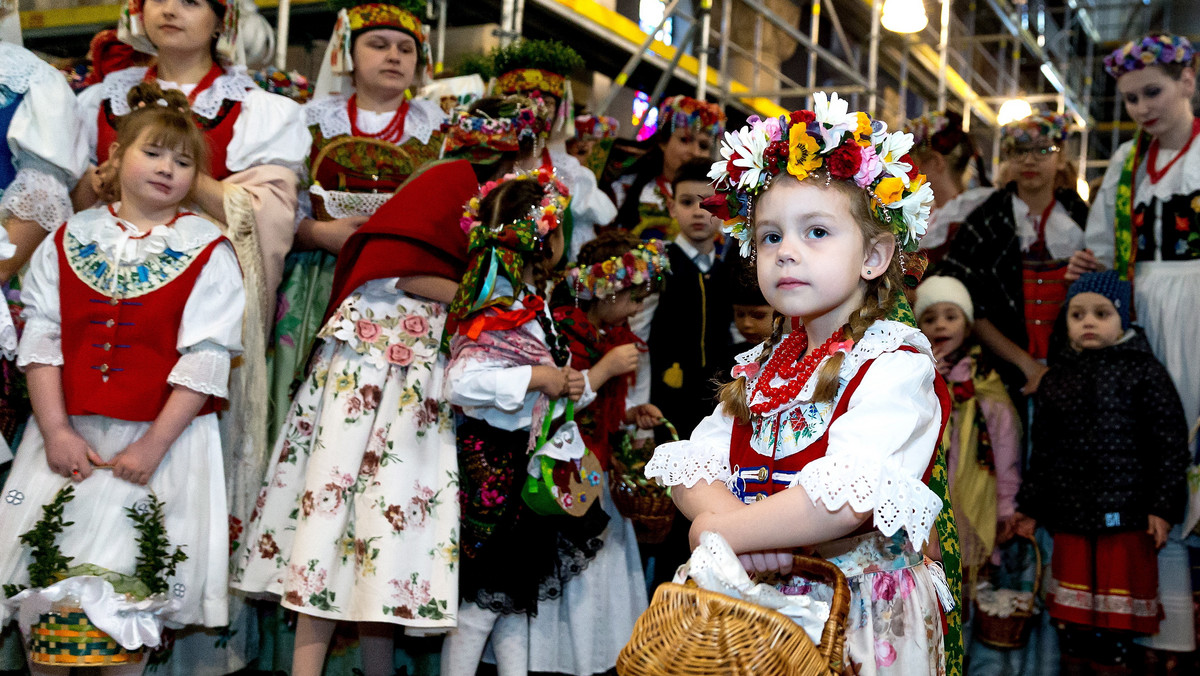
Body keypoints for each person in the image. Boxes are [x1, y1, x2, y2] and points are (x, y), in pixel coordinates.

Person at [645, 93, 960, 675]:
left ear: (874, 255)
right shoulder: (761, 366)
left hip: (858, 615)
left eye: (816, 232)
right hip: (758, 606)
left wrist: (721, 530)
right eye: (769, 237)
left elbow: (843, 501)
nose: (786, 251)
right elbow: (698, 464)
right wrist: (733, 533)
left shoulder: (893, 363)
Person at [0, 83, 245, 670]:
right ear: (116, 158)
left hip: (160, 447)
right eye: (153, 153)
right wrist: (56, 430)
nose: (168, 169)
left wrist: (155, 444)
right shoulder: (68, 236)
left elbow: (206, 359)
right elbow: (44, 342)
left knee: (131, 593)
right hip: (69, 439)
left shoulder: (207, 248)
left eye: (184, 162)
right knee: (48, 593)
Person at [232, 160, 476, 676]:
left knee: (382, 546)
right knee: (325, 533)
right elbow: (408, 269)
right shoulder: (399, 275)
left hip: (405, 415)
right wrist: (488, 297)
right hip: (362, 408)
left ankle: (377, 669)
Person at [440, 170, 607, 676]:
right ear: (544, 238)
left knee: (511, 603)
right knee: (477, 611)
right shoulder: (499, 308)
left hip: (524, 463)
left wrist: (567, 382)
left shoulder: (529, 307)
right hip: (496, 466)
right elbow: (460, 383)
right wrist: (537, 377)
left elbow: (541, 379)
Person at [1067, 36, 1199, 657]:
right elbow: (1100, 246)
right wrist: (1087, 265)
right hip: (1143, 311)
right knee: (1154, 438)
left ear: (1188, 82)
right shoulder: (1126, 162)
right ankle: (1165, 619)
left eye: (1153, 92)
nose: (1142, 107)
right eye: (1130, 98)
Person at [268, 0, 448, 438]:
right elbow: (275, 202)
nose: (394, 56)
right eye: (379, 45)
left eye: (407, 49)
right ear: (348, 55)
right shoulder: (306, 122)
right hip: (318, 281)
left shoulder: (443, 131)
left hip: (407, 291)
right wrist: (316, 232)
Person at [502, 232, 668, 675]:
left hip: (594, 473)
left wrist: (630, 415)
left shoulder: (611, 334)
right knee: (571, 578)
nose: (636, 309)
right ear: (604, 289)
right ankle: (557, 661)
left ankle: (598, 658)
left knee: (605, 576)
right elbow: (552, 407)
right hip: (561, 478)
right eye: (632, 298)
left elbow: (598, 412)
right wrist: (603, 369)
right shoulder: (561, 332)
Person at [1011, 271, 1189, 674]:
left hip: (1126, 520)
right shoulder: (1056, 379)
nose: (1088, 322)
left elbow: (1169, 445)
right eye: (1077, 315)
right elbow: (1045, 453)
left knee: (1117, 624)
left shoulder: (1145, 373)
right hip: (1071, 519)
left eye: (1101, 313)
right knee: (1073, 623)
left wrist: (1162, 507)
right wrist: (1030, 506)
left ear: (1124, 319)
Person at [939, 112, 1089, 401]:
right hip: (999, 370)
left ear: (1061, 158)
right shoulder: (984, 221)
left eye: (1043, 150)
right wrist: (1025, 364)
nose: (1029, 160)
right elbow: (969, 303)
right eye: (1020, 151)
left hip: (1075, 365)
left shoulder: (1084, 218)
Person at [915, 276, 1020, 587]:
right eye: (930, 318)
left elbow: (1005, 446)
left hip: (972, 503)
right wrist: (929, 381)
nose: (941, 326)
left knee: (968, 586)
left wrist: (1006, 506)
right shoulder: (910, 375)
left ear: (968, 325)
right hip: (928, 502)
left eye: (951, 316)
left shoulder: (985, 381)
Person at [477, 39, 618, 261]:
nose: (536, 110)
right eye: (524, 99)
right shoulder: (481, 160)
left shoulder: (569, 170)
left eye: (547, 102)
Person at [641, 157, 734, 437]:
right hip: (665, 401)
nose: (698, 211)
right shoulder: (656, 264)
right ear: (671, 207)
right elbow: (639, 334)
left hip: (719, 403)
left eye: (708, 203)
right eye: (687, 202)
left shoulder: (730, 269)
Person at [610, 95, 725, 239]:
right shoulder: (624, 188)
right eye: (685, 140)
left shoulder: (721, 200)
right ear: (663, 142)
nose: (695, 152)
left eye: (703, 146)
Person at [905, 111, 992, 264]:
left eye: (914, 162)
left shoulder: (966, 215)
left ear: (937, 162)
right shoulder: (933, 214)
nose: (909, 172)